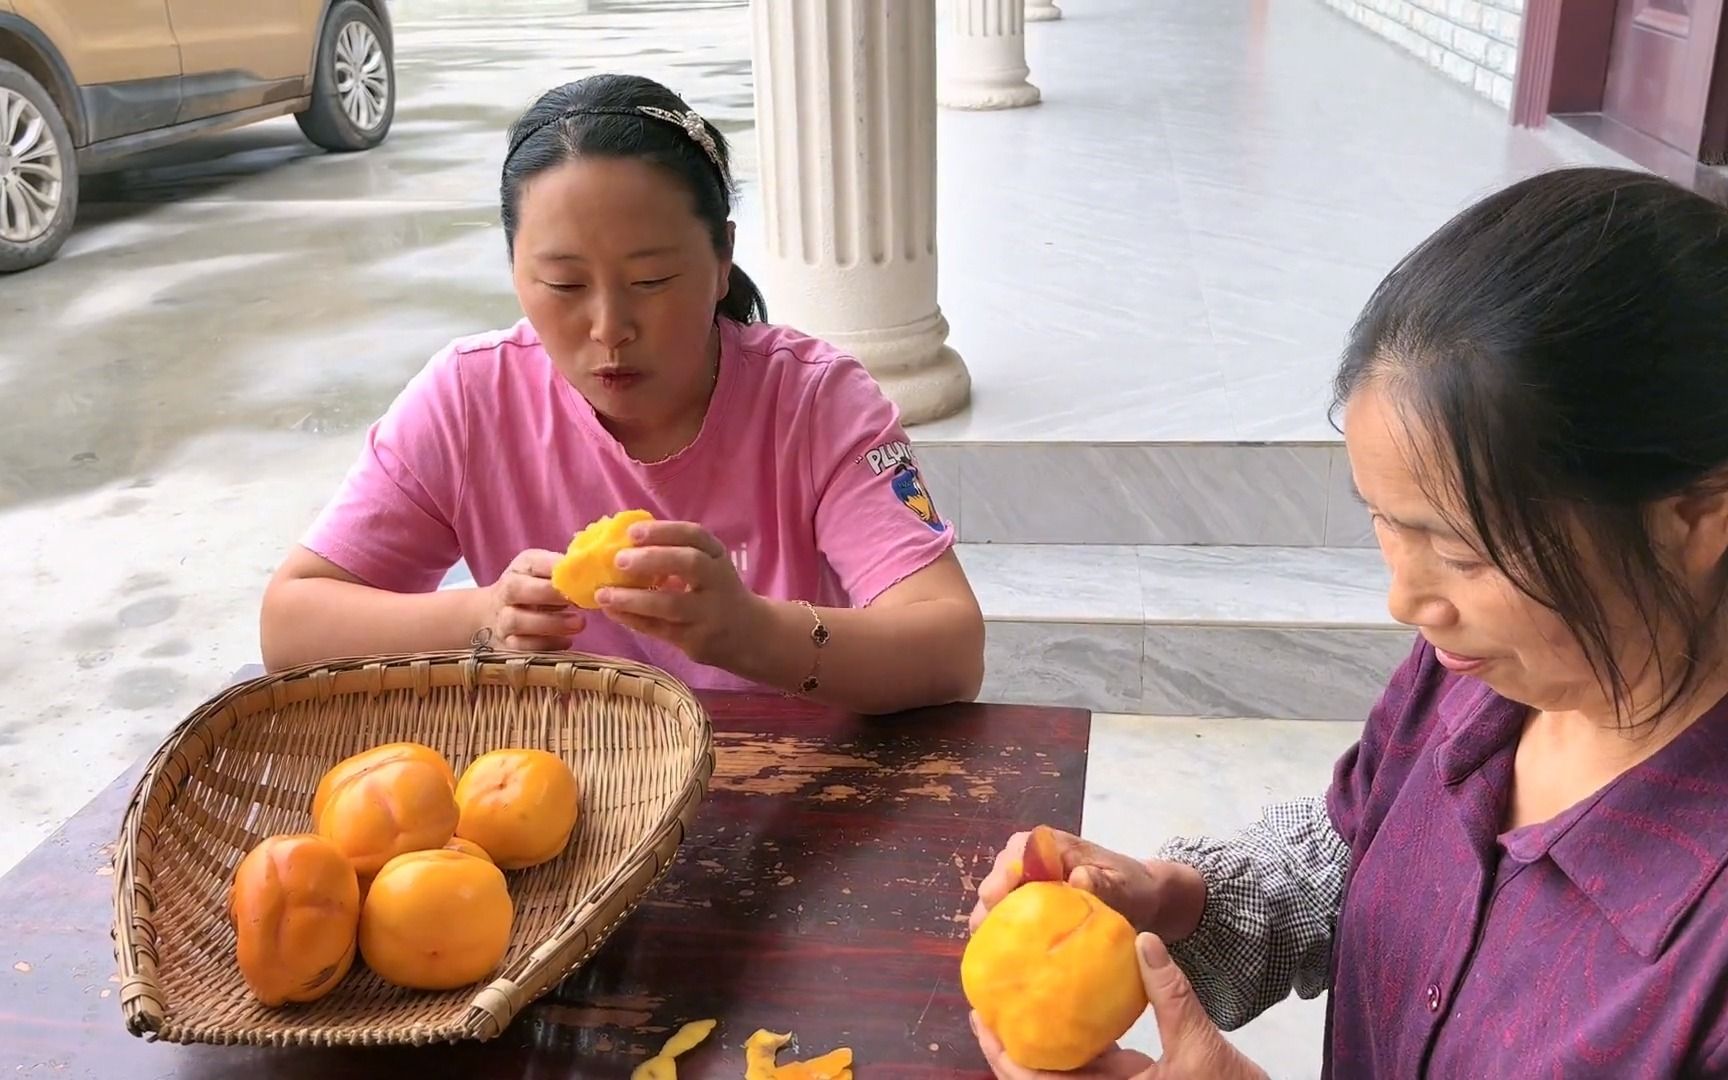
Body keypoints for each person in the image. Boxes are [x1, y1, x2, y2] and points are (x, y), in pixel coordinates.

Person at [968, 166, 1728, 1077]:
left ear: (1693, 518)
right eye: (1385, 524)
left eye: (1463, 551)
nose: (1405, 601)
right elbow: (1348, 854)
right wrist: (1180, 901)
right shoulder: (1473, 676)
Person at [260, 75, 985, 714]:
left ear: (722, 257)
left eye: (652, 281)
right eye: (564, 285)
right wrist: (484, 616)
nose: (610, 329)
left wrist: (749, 633)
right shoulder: (467, 401)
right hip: (556, 799)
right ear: (514, 268)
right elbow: (291, 626)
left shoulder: (814, 403)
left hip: (793, 797)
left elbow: (949, 648)